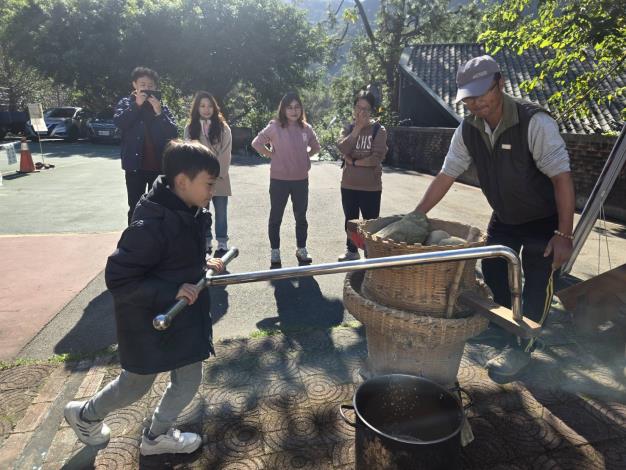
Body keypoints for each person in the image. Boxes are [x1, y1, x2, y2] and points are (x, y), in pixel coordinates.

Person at [414, 55, 575, 378]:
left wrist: (564, 234)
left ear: (500, 83)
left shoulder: (534, 123)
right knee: (493, 269)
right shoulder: (468, 129)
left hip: (544, 219)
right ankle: (505, 328)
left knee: (537, 282)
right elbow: (447, 174)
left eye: (482, 93)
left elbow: (562, 178)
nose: (476, 103)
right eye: (468, 98)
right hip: (504, 215)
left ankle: (522, 348)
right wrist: (416, 216)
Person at [64, 141, 225, 456]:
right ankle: (85, 414)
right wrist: (171, 291)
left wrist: (202, 262)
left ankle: (156, 436)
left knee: (188, 379)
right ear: (182, 181)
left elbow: (176, 256)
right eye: (209, 184)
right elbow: (119, 278)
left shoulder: (189, 210)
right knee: (135, 385)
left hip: (181, 319)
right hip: (148, 322)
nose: (213, 191)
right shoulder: (151, 224)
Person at [251, 92, 321, 269]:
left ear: (301, 109)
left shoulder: (306, 128)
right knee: (276, 216)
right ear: (283, 109)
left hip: (300, 180)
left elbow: (316, 146)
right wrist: (270, 154)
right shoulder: (275, 127)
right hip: (279, 180)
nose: (293, 111)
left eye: (297, 107)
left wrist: (305, 156)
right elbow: (256, 143)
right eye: (289, 107)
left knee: (301, 216)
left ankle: (301, 249)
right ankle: (275, 251)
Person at [114, 66, 178, 225]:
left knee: (158, 206)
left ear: (155, 88)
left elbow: (173, 132)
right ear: (134, 85)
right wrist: (136, 105)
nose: (146, 88)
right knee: (134, 206)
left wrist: (159, 112)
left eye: (150, 86)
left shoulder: (161, 106)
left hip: (158, 166)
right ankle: (134, 237)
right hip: (135, 166)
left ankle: (155, 237)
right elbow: (120, 122)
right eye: (143, 85)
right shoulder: (126, 103)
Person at [336, 90, 388, 261]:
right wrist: (357, 129)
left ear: (372, 111)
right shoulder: (349, 128)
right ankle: (352, 250)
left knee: (370, 223)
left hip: (371, 187)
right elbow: (342, 148)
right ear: (354, 108)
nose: (362, 112)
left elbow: (375, 158)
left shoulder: (379, 130)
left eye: (366, 109)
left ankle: (370, 254)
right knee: (350, 221)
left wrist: (353, 161)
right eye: (359, 107)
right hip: (349, 184)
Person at [184, 91, 233, 257]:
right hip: (199, 179)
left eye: (210, 106)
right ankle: (205, 240)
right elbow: (189, 153)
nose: (206, 109)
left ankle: (222, 241)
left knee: (221, 212)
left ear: (215, 107)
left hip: (220, 178)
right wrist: (199, 175)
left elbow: (226, 153)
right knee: (201, 211)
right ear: (197, 108)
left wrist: (216, 172)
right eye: (202, 106)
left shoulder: (223, 128)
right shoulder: (190, 128)